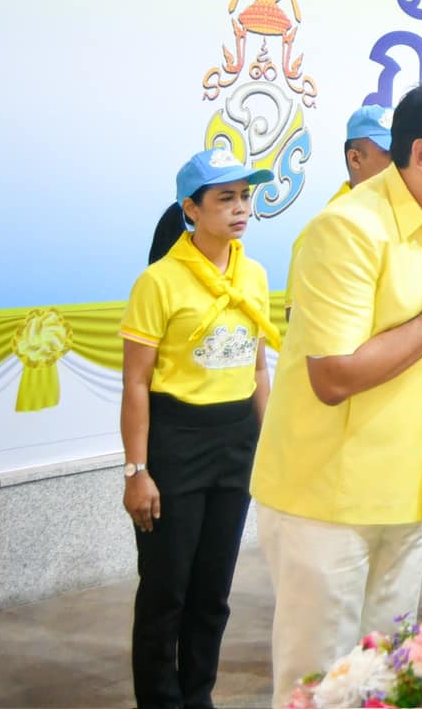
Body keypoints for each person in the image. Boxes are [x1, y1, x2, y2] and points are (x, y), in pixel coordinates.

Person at [252, 82, 422, 700]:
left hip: (407, 492)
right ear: (421, 153)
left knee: (386, 677)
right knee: (320, 683)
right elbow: (332, 375)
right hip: (326, 499)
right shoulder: (346, 230)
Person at [121, 149, 277, 709]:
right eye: (225, 198)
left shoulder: (253, 274)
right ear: (192, 208)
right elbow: (136, 384)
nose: (240, 209)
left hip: (235, 441)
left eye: (245, 195)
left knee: (213, 590)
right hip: (176, 443)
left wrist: (271, 444)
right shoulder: (157, 282)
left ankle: (198, 694)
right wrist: (137, 471)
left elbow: (258, 367)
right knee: (167, 591)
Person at [287, 106, 397, 323]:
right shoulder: (323, 230)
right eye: (389, 155)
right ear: (355, 159)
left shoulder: (405, 219)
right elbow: (299, 320)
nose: (400, 165)